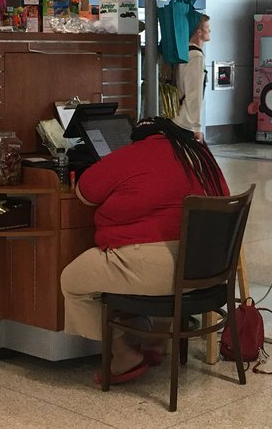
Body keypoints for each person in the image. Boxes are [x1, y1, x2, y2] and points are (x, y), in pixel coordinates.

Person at [60, 116, 228, 385]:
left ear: (137, 137)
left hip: (156, 269)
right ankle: (156, 340)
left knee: (72, 280)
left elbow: (85, 192)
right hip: (209, 270)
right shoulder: (199, 156)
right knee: (150, 272)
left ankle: (123, 351)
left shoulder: (132, 155)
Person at [175, 14, 210, 142]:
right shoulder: (196, 56)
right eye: (207, 27)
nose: (210, 30)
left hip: (176, 117)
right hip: (185, 123)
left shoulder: (184, 52)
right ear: (199, 31)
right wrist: (196, 127)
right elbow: (194, 94)